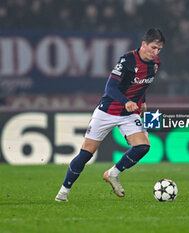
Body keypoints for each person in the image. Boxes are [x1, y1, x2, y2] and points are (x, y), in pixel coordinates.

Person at [55, 28, 165, 201]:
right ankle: (63, 192)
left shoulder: (156, 63)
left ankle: (113, 173)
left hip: (129, 113)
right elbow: (110, 88)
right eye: (153, 48)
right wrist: (126, 101)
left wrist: (143, 101)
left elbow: (143, 85)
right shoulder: (127, 60)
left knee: (143, 146)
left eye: (159, 49)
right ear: (143, 44)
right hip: (107, 111)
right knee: (86, 154)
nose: (155, 52)